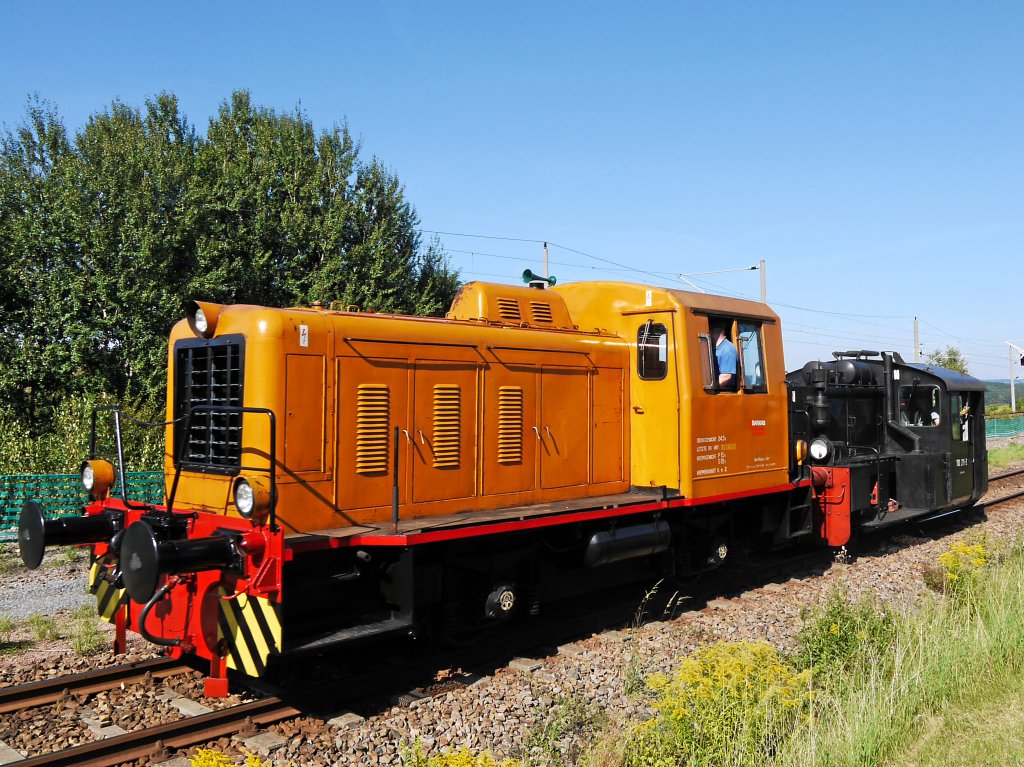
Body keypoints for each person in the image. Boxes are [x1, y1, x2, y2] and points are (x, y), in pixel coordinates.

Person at [710, 320, 738, 389]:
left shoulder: (728, 349)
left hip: (726, 391)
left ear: (711, 331)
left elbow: (726, 376)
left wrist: (710, 387)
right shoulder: (715, 348)